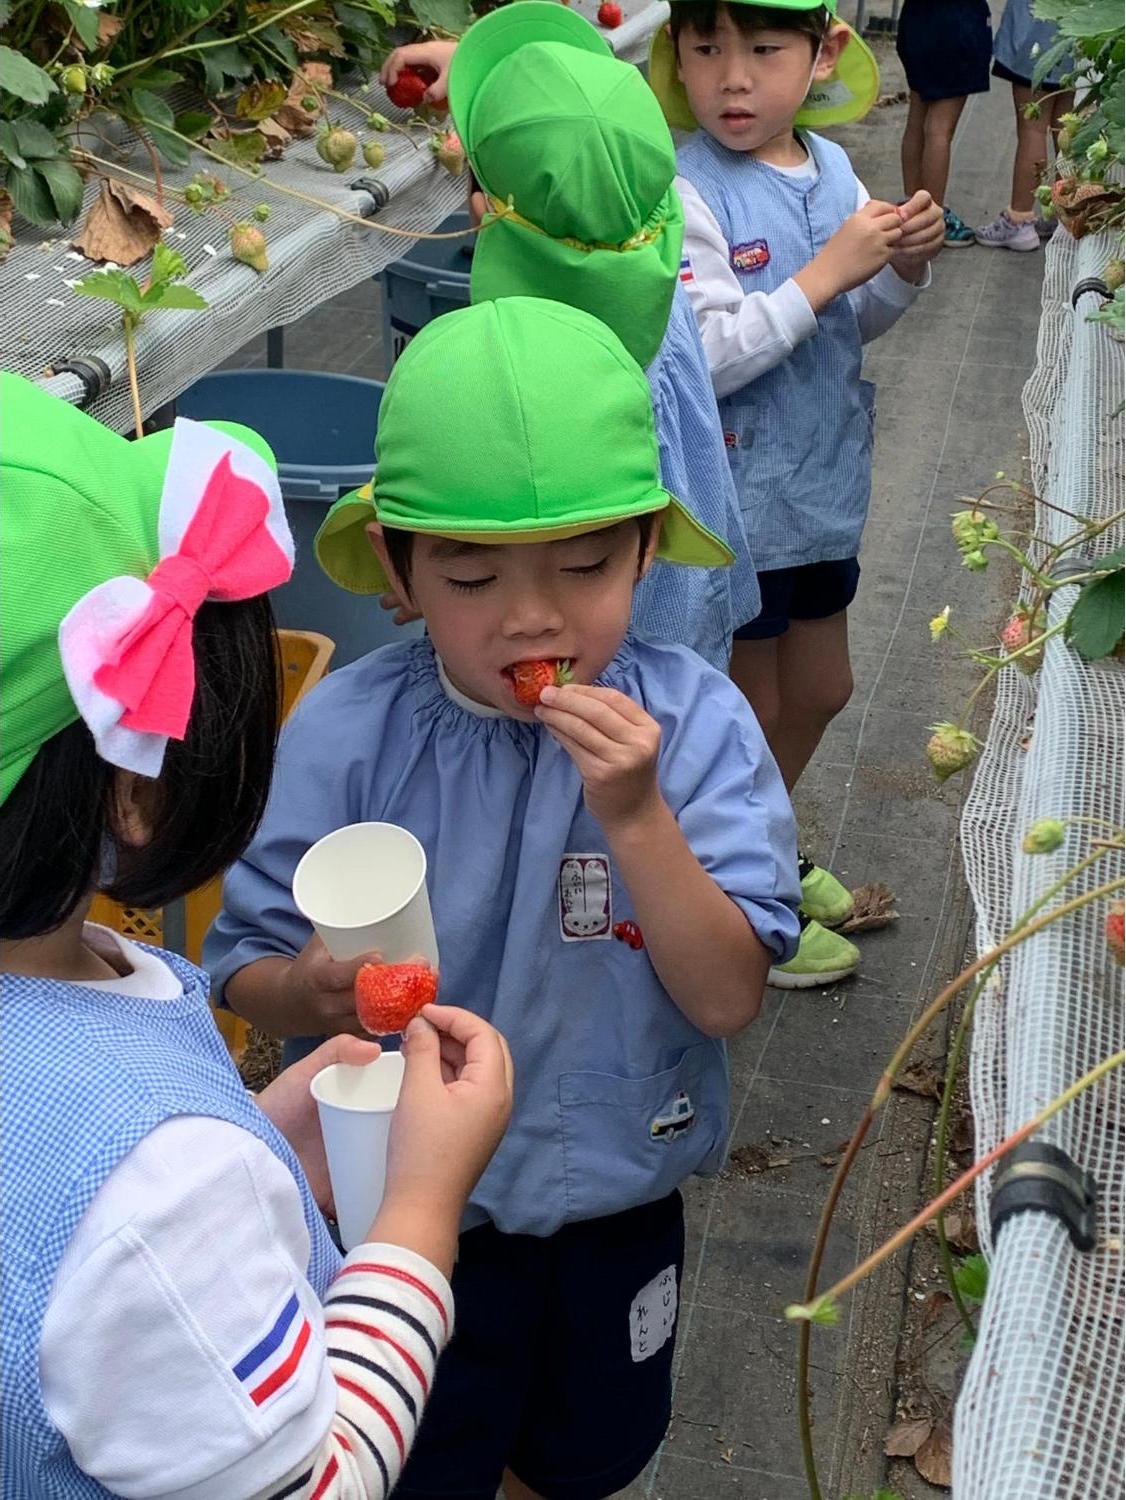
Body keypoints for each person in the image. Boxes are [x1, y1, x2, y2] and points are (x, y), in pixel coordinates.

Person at [206, 296, 803, 1500]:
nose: (533, 615)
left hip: (616, 1194)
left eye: (584, 566)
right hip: (409, 1221)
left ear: (645, 547)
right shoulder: (348, 733)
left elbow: (729, 993)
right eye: (473, 576)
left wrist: (637, 818)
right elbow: (244, 965)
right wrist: (314, 988)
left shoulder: (690, 728)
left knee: (586, 1459)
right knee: (421, 1462)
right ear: (397, 570)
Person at [0, 373, 513, 1500]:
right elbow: (309, 1480)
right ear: (132, 788)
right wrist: (419, 1217)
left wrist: (249, 1131)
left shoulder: (148, 1161)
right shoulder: (156, 1193)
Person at [649, 0, 944, 984]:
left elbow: (849, 325)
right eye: (705, 48)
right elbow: (707, 356)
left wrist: (899, 270)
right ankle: (742, 895)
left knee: (820, 689)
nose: (732, 78)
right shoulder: (686, 191)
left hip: (815, 490)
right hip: (737, 501)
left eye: (762, 49)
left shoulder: (832, 172)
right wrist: (823, 274)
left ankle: (757, 852)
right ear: (677, 58)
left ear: (820, 57)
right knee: (747, 703)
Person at [380, 3, 760, 678]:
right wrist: (481, 70)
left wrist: (446, 570)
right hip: (682, 627)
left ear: (482, 215)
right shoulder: (649, 245)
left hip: (576, 657)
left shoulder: (516, 373)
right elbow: (590, 142)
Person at [975, 0, 1074, 251]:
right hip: (1076, 34)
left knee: (1033, 129)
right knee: (1067, 128)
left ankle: (1019, 218)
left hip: (1035, 34)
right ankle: (1066, 215)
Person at [895, 0, 993, 247]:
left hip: (917, 22)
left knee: (917, 118)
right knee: (939, 129)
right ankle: (932, 216)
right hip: (956, 25)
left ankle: (911, 205)